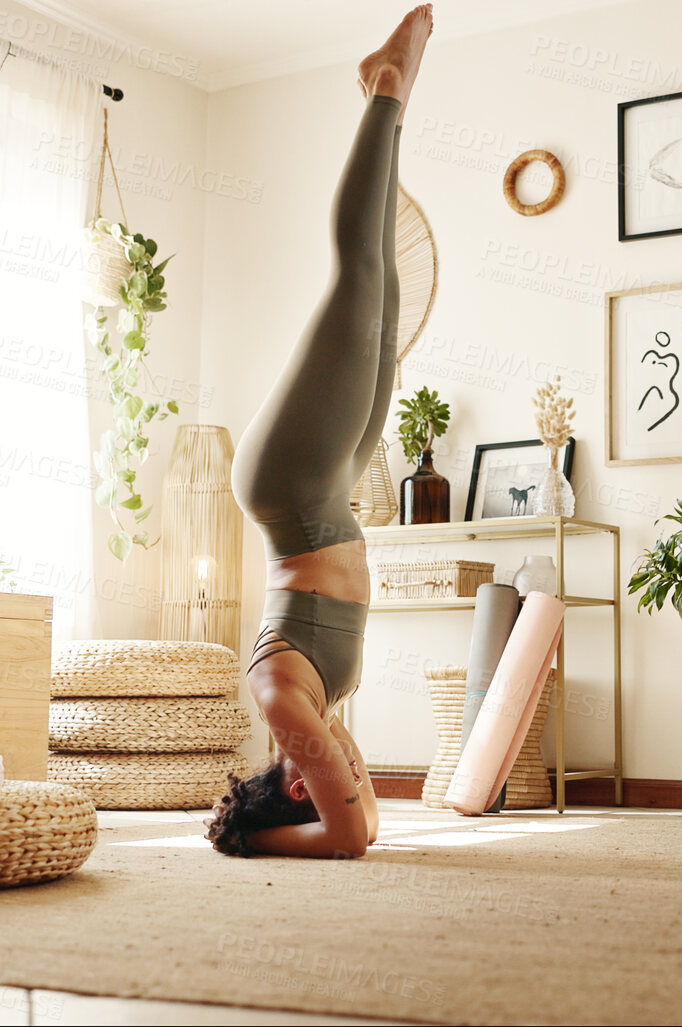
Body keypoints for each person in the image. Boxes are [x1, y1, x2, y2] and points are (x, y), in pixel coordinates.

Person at [205, 5, 434, 859]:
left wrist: (250, 843)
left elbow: (346, 839)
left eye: (321, 769)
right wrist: (340, 774)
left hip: (289, 490)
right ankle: (392, 98)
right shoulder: (323, 708)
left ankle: (384, 90)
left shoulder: (280, 699)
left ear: (292, 779)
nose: (347, 766)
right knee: (387, 305)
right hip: (328, 497)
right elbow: (365, 823)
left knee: (358, 279)